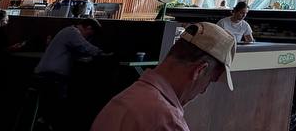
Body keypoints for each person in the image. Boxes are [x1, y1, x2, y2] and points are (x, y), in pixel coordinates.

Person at [92, 21, 235, 130]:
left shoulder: (123, 99)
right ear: (200, 70)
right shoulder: (169, 123)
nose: (204, 90)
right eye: (210, 80)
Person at [35, 17, 105, 127]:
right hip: (53, 75)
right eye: (89, 35)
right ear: (88, 28)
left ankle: (44, 122)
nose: (87, 38)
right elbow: (85, 46)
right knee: (56, 106)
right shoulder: (72, 32)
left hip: (47, 73)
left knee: (50, 107)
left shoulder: (67, 31)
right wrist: (101, 53)